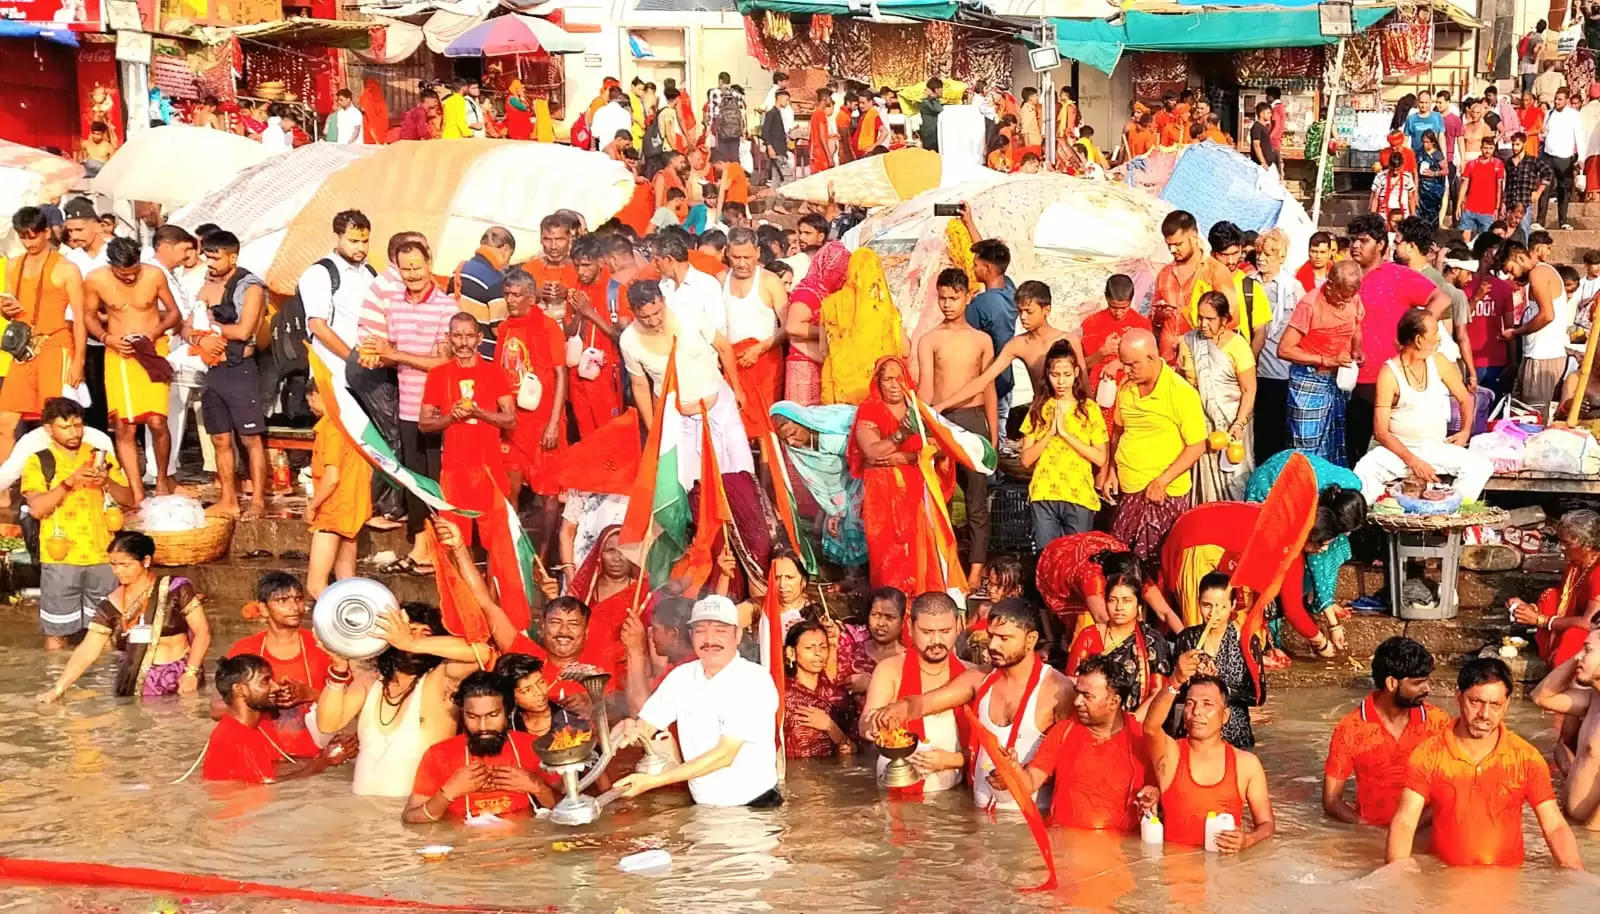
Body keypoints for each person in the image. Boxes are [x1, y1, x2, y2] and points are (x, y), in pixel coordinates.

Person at [866, 599, 1076, 810]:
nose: (993, 645)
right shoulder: (978, 678)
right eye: (991, 636)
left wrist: (1021, 775)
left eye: (1004, 638)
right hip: (979, 820)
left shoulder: (1058, 690)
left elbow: (1071, 765)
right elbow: (924, 703)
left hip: (1029, 825)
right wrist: (901, 707)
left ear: (1030, 640)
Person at [620, 280, 769, 568]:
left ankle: (752, 550)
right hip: (678, 422)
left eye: (657, 313)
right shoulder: (629, 340)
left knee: (738, 478)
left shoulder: (688, 313)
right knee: (690, 489)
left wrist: (736, 388)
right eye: (645, 317)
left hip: (720, 410)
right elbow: (640, 386)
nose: (653, 321)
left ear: (663, 302)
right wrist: (654, 430)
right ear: (634, 313)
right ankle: (703, 554)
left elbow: (724, 348)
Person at [1388, 658, 1583, 868]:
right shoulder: (1428, 754)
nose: (1484, 714)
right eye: (1476, 702)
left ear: (1506, 704)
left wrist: (1575, 876)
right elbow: (1406, 821)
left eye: (1495, 705)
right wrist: (1397, 874)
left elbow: (1554, 826)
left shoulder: (1526, 757)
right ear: (1459, 698)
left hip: (1506, 883)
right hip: (1443, 879)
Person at [610, 595, 781, 806]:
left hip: (754, 811)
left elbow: (724, 755)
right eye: (700, 630)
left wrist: (654, 781)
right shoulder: (682, 677)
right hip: (704, 808)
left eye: (720, 630)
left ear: (737, 635)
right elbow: (646, 728)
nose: (709, 639)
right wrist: (631, 730)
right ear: (691, 636)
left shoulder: (754, 680)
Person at [315, 597, 485, 796]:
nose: (417, 638)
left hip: (417, 816)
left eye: (426, 634)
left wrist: (412, 643)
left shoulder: (441, 681)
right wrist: (339, 670)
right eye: (410, 630)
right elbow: (327, 725)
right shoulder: (370, 682)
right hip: (362, 817)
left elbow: (482, 653)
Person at [358, 236, 456, 575]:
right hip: (407, 406)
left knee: (436, 479)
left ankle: (441, 548)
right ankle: (419, 547)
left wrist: (394, 353)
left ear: (429, 265)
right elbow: (390, 348)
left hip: (437, 411)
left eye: (417, 266)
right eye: (406, 268)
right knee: (414, 481)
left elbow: (443, 363)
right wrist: (377, 353)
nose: (412, 274)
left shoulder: (447, 307)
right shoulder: (394, 304)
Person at [37, 531, 210, 701]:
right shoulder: (111, 604)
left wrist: (191, 673)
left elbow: (202, 632)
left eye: (126, 565)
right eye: (113, 564)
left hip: (181, 679)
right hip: (137, 685)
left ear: (146, 561)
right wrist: (58, 688)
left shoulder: (175, 589)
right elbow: (88, 650)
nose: (118, 571)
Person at [23, 398, 131, 651]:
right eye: (66, 427)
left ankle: (104, 686)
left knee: (105, 631)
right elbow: (37, 509)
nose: (74, 432)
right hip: (61, 559)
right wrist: (69, 481)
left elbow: (129, 499)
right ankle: (58, 682)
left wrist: (107, 482)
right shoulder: (40, 461)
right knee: (56, 634)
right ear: (49, 429)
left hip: (103, 556)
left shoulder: (99, 455)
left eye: (78, 425)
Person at [1353, 307, 1492, 502]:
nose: (1439, 338)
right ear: (1419, 340)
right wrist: (1413, 461)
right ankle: (1378, 520)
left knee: (1480, 466)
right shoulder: (1389, 373)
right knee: (1365, 470)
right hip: (1397, 451)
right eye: (1435, 333)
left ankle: (1451, 513)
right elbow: (1381, 432)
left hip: (1435, 448)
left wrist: (1465, 431)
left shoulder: (1439, 362)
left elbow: (1465, 399)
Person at [849, 356, 958, 597]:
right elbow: (871, 452)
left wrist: (901, 458)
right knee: (887, 562)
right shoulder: (871, 408)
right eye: (887, 379)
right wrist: (902, 437)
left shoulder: (918, 410)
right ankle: (891, 615)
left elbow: (937, 450)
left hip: (917, 496)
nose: (894, 384)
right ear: (878, 382)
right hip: (883, 501)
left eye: (899, 378)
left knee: (921, 557)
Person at [81, 237, 179, 505]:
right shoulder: (95, 279)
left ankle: (161, 480)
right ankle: (136, 493)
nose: (129, 278)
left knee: (157, 421)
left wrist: (152, 333)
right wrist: (106, 338)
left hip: (153, 349)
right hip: (119, 354)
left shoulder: (154, 274)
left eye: (134, 272)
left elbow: (173, 313)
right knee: (125, 427)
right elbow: (88, 315)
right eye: (123, 274)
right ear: (111, 265)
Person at [1009, 655, 1155, 830]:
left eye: (1087, 696)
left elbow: (1157, 791)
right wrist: (1013, 769)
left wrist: (1154, 794)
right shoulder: (1063, 731)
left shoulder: (1141, 739)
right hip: (1063, 847)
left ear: (1114, 702)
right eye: (1077, 692)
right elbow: (1030, 783)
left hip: (1121, 852)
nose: (1077, 702)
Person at [1343, 214, 1446, 462]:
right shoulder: (1345, 277)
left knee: (1388, 452)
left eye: (1363, 240)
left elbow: (1441, 298)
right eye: (1353, 240)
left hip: (1387, 376)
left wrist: (1415, 330)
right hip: (1348, 376)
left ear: (1380, 244)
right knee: (1352, 450)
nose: (1356, 246)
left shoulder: (1397, 275)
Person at [1101, 329, 1207, 569]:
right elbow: (1118, 431)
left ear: (1151, 358)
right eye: (1124, 364)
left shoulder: (1180, 393)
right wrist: (1110, 471)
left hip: (1163, 493)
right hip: (1130, 489)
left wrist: (1162, 481)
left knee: (1152, 567)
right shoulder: (1127, 387)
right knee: (1122, 565)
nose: (1126, 371)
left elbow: (1197, 445)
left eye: (1132, 365)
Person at [1143, 667, 1275, 852]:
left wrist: (1248, 840)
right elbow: (1150, 728)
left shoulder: (1247, 764)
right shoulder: (1171, 755)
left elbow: (1267, 824)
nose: (1197, 711)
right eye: (1190, 703)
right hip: (1174, 872)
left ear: (1225, 716)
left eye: (1207, 704)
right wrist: (1175, 680)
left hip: (1224, 874)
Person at [918, 268, 995, 580]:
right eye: (943, 298)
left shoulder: (982, 340)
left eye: (954, 297)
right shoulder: (929, 338)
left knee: (977, 499)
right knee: (942, 496)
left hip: (974, 420)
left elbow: (987, 386)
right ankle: (946, 565)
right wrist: (924, 426)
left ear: (968, 297)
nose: (947, 304)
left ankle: (976, 569)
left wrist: (992, 434)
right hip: (941, 422)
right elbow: (925, 386)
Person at [1322, 636, 1449, 825]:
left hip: (1426, 826)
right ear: (1391, 683)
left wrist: (1411, 826)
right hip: (1372, 834)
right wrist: (1367, 830)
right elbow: (1331, 801)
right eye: (1417, 683)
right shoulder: (1349, 729)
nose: (1427, 689)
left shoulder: (1438, 723)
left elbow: (1453, 786)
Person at [0, 207, 85, 481]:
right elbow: (13, 309)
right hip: (24, 350)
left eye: (33, 236)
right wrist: (6, 309)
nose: (28, 242)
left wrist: (79, 362)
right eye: (23, 237)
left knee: (55, 421)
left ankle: (57, 480)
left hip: (55, 345)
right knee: (6, 421)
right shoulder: (14, 265)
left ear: (47, 233)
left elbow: (81, 318)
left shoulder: (66, 268)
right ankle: (2, 488)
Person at [404, 671, 557, 822]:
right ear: (462, 713)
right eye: (472, 716)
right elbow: (411, 818)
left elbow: (568, 808)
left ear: (508, 712)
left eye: (492, 715)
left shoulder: (535, 747)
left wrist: (537, 786)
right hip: (465, 844)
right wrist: (449, 792)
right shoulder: (439, 754)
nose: (482, 726)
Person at [193, 231, 268, 519]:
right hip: (213, 369)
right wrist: (200, 339)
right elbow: (187, 327)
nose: (209, 264)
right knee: (220, 439)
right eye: (207, 257)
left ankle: (258, 501)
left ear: (233, 257)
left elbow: (244, 331)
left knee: (250, 438)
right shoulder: (207, 285)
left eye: (215, 258)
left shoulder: (250, 288)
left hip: (239, 370)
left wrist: (208, 327)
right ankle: (228, 499)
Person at [203, 655, 355, 783]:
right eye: (265, 681)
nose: (276, 687)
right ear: (240, 690)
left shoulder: (254, 727)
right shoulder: (235, 736)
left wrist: (325, 755)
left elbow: (273, 770)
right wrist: (324, 762)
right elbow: (269, 788)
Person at [1020, 339, 1107, 543]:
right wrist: (1050, 432)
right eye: (1055, 375)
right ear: (1047, 375)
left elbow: (1100, 458)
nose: (1060, 382)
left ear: (1076, 373)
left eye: (1066, 375)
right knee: (1047, 557)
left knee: (1076, 558)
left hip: (1079, 494)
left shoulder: (1088, 409)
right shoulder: (1038, 409)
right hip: (1044, 493)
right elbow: (1025, 460)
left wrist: (1066, 434)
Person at [1277, 260, 1363, 463]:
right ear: (1330, 284)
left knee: (1334, 443)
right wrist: (1325, 359)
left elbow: (1357, 325)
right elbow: (1284, 349)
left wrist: (1357, 349)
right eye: (1341, 296)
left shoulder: (1353, 299)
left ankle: (1331, 492)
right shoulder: (1310, 304)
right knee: (1306, 447)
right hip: (1310, 380)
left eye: (1349, 297)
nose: (1345, 301)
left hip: (1338, 382)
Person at [1167, 573, 1262, 748]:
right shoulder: (1186, 639)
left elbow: (1258, 696)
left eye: (1221, 607)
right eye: (1207, 605)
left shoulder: (1247, 642)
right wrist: (1189, 678)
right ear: (1198, 603)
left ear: (1233, 605)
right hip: (1193, 730)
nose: (1213, 614)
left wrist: (1217, 684)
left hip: (1235, 734)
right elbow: (1173, 691)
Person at [1177, 291, 1256, 503]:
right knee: (1202, 479)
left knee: (1235, 478)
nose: (1203, 324)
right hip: (1200, 423)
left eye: (1210, 319)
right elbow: (1184, 382)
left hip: (1233, 423)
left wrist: (1239, 423)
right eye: (1200, 318)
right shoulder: (1190, 341)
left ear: (1224, 319)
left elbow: (1249, 389)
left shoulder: (1238, 345)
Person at [1065, 564, 1172, 718]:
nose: (1119, 607)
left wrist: (1132, 723)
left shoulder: (1152, 641)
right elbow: (1072, 684)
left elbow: (1157, 693)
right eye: (1113, 600)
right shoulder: (1089, 636)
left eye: (1126, 601)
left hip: (1137, 723)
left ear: (1139, 607)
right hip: (1091, 720)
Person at [1511, 509, 1600, 666]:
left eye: (1567, 543)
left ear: (1587, 545)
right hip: (1578, 622)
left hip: (1593, 632)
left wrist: (1541, 620)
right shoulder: (1575, 567)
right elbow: (1562, 603)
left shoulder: (1598, 571)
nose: (1561, 548)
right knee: (1550, 596)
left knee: (1575, 636)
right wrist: (1530, 609)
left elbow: (1589, 623)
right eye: (1560, 541)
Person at [722, 228, 787, 439]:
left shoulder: (769, 281)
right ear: (726, 253)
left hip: (765, 362)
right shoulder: (720, 279)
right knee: (731, 427)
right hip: (732, 362)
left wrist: (761, 348)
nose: (742, 263)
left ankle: (767, 472)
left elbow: (787, 327)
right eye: (736, 257)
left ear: (758, 253)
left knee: (765, 429)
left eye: (747, 257)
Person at [1531, 628, 1600, 826]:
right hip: (1574, 824)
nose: (1578, 656)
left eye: (1587, 650)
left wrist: (1587, 839)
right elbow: (1541, 696)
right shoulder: (1592, 699)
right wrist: (1580, 660)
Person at [1503, 241, 1575, 417]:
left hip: (1542, 358)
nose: (1511, 277)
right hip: (1534, 356)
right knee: (1518, 414)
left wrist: (1516, 332)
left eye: (1511, 270)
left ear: (1520, 257)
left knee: (1532, 418)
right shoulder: (1539, 274)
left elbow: (1547, 315)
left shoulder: (1539, 273)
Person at [784, 243, 849, 406]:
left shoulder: (829, 292)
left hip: (822, 362)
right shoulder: (808, 291)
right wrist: (828, 331)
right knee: (802, 420)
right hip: (804, 366)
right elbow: (793, 327)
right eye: (837, 272)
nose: (841, 276)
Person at [782, 619, 856, 759]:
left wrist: (830, 726)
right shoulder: (781, 695)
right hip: (794, 775)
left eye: (823, 647)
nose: (818, 653)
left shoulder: (838, 697)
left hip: (832, 775)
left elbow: (855, 749)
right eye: (809, 648)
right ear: (791, 652)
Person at [1505, 131, 1553, 239]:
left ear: (1524, 144)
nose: (1514, 147)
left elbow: (1548, 173)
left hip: (1524, 202)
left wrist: (1538, 192)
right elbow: (1507, 183)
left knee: (1524, 232)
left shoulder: (1532, 161)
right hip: (1510, 203)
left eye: (1517, 144)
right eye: (1513, 144)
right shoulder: (1508, 162)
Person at [1458, 136, 1505, 241]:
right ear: (1481, 148)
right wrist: (1459, 204)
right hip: (1470, 207)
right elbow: (1464, 185)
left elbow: (1499, 188)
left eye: (1490, 148)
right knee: (1465, 240)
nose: (1487, 151)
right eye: (1485, 148)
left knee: (1484, 241)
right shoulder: (1471, 164)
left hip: (1488, 210)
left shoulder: (1498, 164)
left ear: (1494, 148)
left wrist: (1497, 208)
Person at [1371, 151, 1419, 218]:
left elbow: (1411, 198)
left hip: (1403, 214)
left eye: (1398, 169)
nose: (1395, 172)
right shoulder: (1380, 177)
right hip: (1384, 214)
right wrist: (1372, 216)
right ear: (1389, 165)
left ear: (1402, 165)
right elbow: (1375, 198)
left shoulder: (1407, 177)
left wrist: (1413, 215)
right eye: (1393, 169)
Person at [1249, 102, 1277, 172]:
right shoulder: (1257, 127)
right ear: (1261, 114)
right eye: (1268, 113)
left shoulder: (1263, 127)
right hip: (1261, 165)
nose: (1270, 115)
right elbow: (1256, 145)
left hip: (1268, 163)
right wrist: (1263, 162)